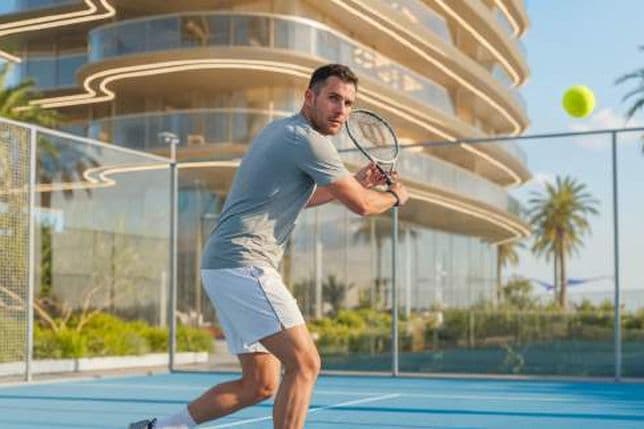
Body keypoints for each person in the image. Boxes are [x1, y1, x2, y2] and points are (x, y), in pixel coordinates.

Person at [128, 63, 409, 429]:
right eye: (334, 98)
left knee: (260, 383)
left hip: (224, 265)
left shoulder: (284, 131)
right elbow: (362, 205)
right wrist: (395, 196)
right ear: (310, 97)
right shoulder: (308, 140)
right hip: (243, 264)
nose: (342, 110)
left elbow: (298, 199)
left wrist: (355, 181)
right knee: (305, 363)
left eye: (349, 103)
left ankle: (162, 428)